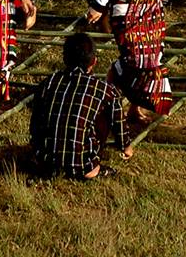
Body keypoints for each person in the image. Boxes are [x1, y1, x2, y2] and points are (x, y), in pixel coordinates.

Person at [30, 33, 132, 180]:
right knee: (104, 114)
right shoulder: (104, 90)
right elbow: (119, 124)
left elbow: (35, 124)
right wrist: (126, 147)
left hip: (44, 160)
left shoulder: (48, 82)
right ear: (94, 61)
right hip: (83, 165)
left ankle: (51, 161)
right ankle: (90, 168)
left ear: (64, 59)